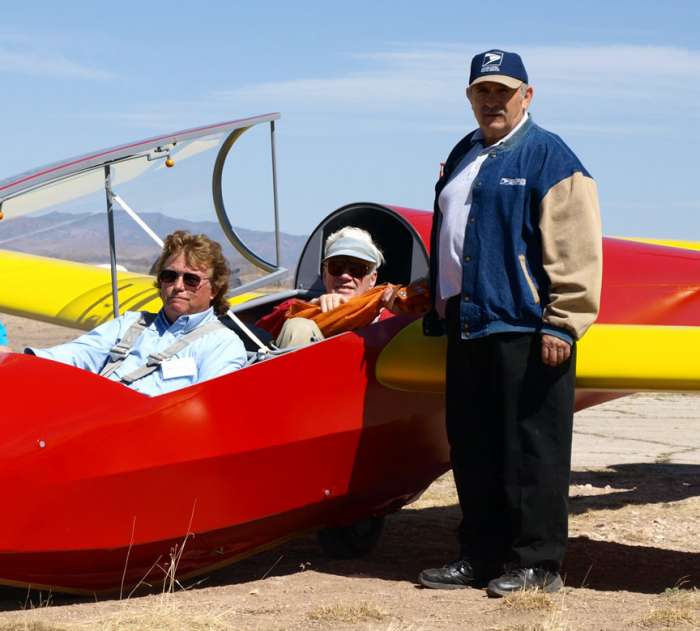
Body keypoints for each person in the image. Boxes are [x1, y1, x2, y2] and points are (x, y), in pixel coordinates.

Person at [419, 50, 602, 597]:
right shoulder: (465, 152)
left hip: (526, 324)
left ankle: (538, 564)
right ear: (470, 97)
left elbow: (576, 246)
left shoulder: (550, 156)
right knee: (473, 446)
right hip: (469, 322)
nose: (492, 100)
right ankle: (479, 555)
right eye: (483, 91)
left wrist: (562, 321)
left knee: (532, 450)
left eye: (503, 90)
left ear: (527, 95)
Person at [23, 230, 247, 396]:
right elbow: (74, 355)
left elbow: (210, 407)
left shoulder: (222, 344)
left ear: (214, 290)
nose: (178, 286)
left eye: (191, 279)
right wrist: (23, 364)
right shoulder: (131, 324)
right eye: (169, 276)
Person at [257, 226, 394, 346]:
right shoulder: (297, 309)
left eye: (357, 269)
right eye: (337, 267)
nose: (345, 276)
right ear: (324, 275)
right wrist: (314, 308)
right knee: (299, 326)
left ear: (372, 279)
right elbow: (262, 329)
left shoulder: (389, 319)